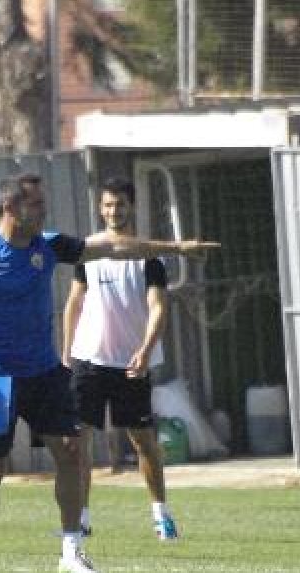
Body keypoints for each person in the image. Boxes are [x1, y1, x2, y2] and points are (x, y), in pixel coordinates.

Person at [0, 173, 219, 573]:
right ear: (11, 208)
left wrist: (175, 248)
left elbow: (112, 245)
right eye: (36, 204)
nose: (44, 210)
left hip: (45, 373)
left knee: (71, 453)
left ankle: (71, 552)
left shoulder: (48, 245)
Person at [62, 177, 184, 542]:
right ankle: (80, 519)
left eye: (121, 205)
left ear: (133, 207)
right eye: (108, 205)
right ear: (100, 209)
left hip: (132, 364)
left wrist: (145, 350)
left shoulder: (150, 257)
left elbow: (159, 306)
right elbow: (74, 302)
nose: (114, 211)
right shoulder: (88, 251)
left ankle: (161, 516)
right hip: (88, 361)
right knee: (77, 443)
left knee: (143, 442)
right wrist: (66, 354)